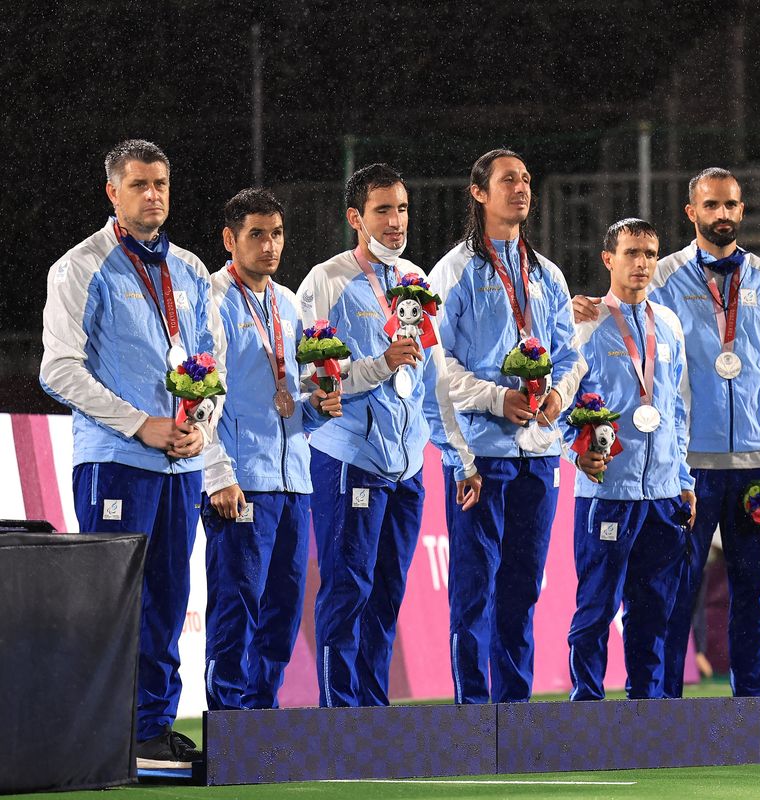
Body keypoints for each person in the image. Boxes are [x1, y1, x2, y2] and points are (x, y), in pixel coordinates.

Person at [577, 167, 760, 698]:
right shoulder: (664, 273)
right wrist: (580, 311)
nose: (722, 214)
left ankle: (753, 711)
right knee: (673, 595)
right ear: (692, 212)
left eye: (731, 205)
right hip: (687, 466)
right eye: (711, 205)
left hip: (757, 462)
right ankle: (667, 711)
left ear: (742, 210)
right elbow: (623, 306)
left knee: (757, 594)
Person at [40, 139, 223, 767]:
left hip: (182, 461)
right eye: (140, 184)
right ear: (112, 192)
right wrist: (139, 424)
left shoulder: (193, 271)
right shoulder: (80, 267)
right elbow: (59, 369)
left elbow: (210, 364)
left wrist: (201, 421)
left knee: (170, 598)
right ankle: (99, 733)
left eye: (162, 184)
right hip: (116, 459)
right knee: (114, 601)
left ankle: (149, 730)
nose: (154, 195)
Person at [297, 163, 477, 707]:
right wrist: (378, 364)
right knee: (348, 588)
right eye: (383, 210)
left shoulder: (416, 283)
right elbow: (313, 376)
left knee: (387, 594)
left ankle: (373, 715)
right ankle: (338, 714)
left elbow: (435, 380)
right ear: (356, 217)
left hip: (407, 467)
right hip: (350, 457)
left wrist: (459, 456)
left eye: (401, 208)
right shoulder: (326, 281)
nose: (396, 221)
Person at [428, 149, 585, 704]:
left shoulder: (546, 273)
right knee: (473, 591)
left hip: (540, 455)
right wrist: (498, 398)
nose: (520, 188)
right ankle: (473, 713)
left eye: (525, 178)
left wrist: (559, 394)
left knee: (522, 590)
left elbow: (570, 355)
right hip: (482, 456)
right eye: (506, 180)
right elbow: (437, 363)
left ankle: (514, 711)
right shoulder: (452, 272)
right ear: (478, 193)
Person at [203, 189, 342, 711]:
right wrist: (217, 473)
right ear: (230, 239)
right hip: (242, 481)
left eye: (277, 233)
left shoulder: (287, 304)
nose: (269, 245)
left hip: (293, 480)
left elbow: (292, 400)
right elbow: (200, 396)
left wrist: (317, 404)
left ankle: (261, 714)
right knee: (236, 605)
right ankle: (226, 717)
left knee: (282, 610)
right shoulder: (212, 300)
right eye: (256, 234)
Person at [565, 218, 695, 700]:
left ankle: (648, 709)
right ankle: (587, 708)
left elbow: (677, 408)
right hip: (608, 490)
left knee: (654, 608)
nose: (641, 263)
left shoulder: (671, 324)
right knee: (596, 606)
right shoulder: (585, 321)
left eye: (650, 253)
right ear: (608, 259)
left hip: (662, 493)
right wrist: (577, 456)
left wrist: (684, 478)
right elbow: (560, 400)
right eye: (631, 253)